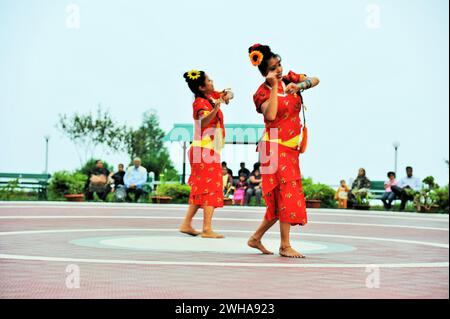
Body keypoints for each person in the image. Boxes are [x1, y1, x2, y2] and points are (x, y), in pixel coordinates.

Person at [246, 44, 320, 258]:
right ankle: (285, 245)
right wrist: (273, 88)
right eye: (273, 68)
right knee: (286, 194)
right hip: (273, 147)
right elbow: (270, 116)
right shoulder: (262, 92)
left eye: (279, 65)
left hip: (290, 148)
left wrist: (300, 86)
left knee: (283, 197)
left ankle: (256, 238)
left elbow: (315, 80)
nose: (278, 70)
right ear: (264, 72)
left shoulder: (290, 79)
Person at [179, 70, 233, 239]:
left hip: (207, 149)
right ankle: (207, 228)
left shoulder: (210, 97)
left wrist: (226, 96)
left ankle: (186, 224)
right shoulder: (201, 103)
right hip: (204, 150)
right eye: (209, 80)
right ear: (202, 87)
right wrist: (216, 108)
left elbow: (230, 93)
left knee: (201, 188)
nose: (212, 81)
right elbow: (203, 122)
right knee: (210, 187)